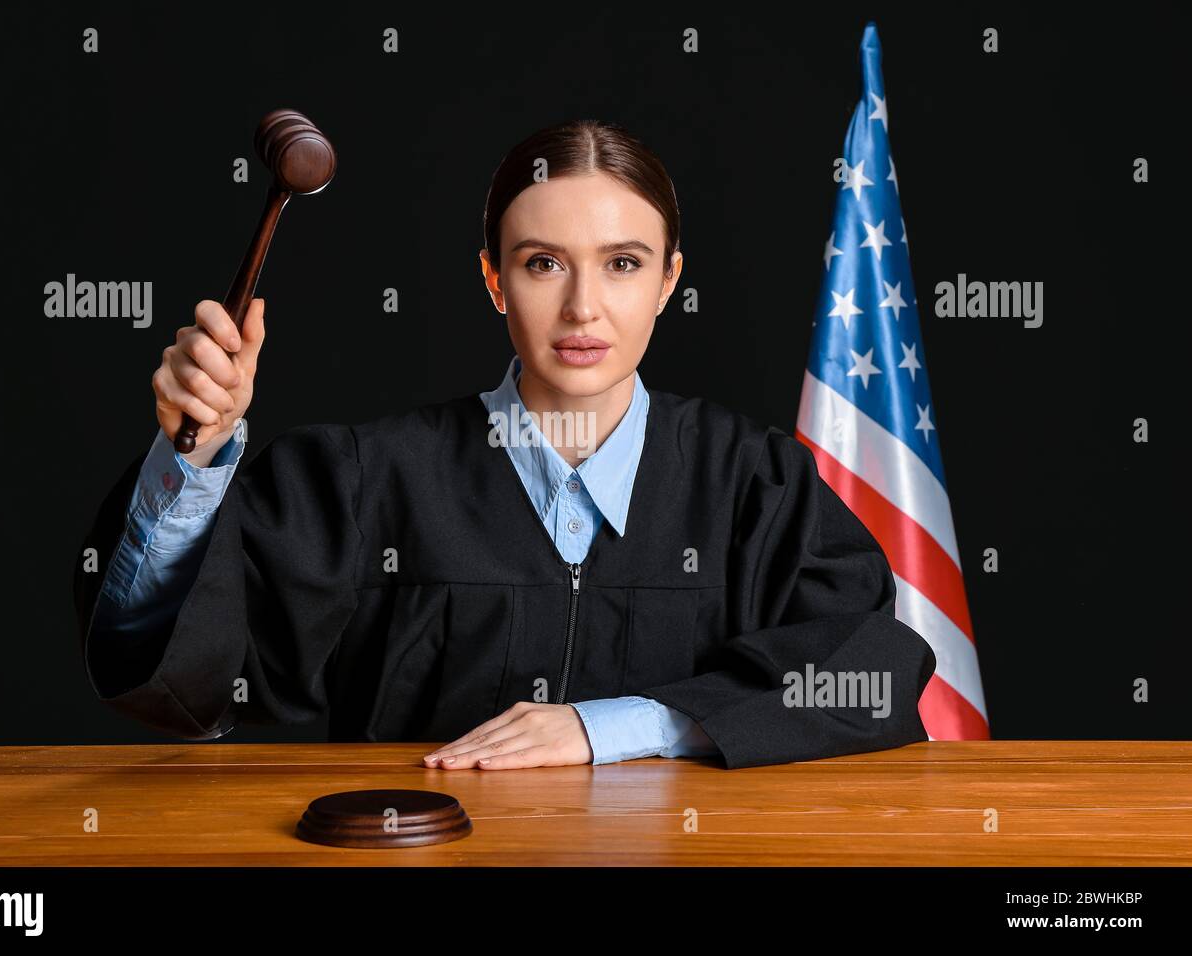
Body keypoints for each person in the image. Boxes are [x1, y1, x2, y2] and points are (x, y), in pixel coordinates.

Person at [73, 119, 936, 770]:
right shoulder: (367, 480)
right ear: (493, 278)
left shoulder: (755, 483)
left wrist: (613, 725)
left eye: (624, 263)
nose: (584, 309)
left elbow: (870, 670)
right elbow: (181, 685)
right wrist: (193, 458)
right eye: (543, 263)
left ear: (671, 281)